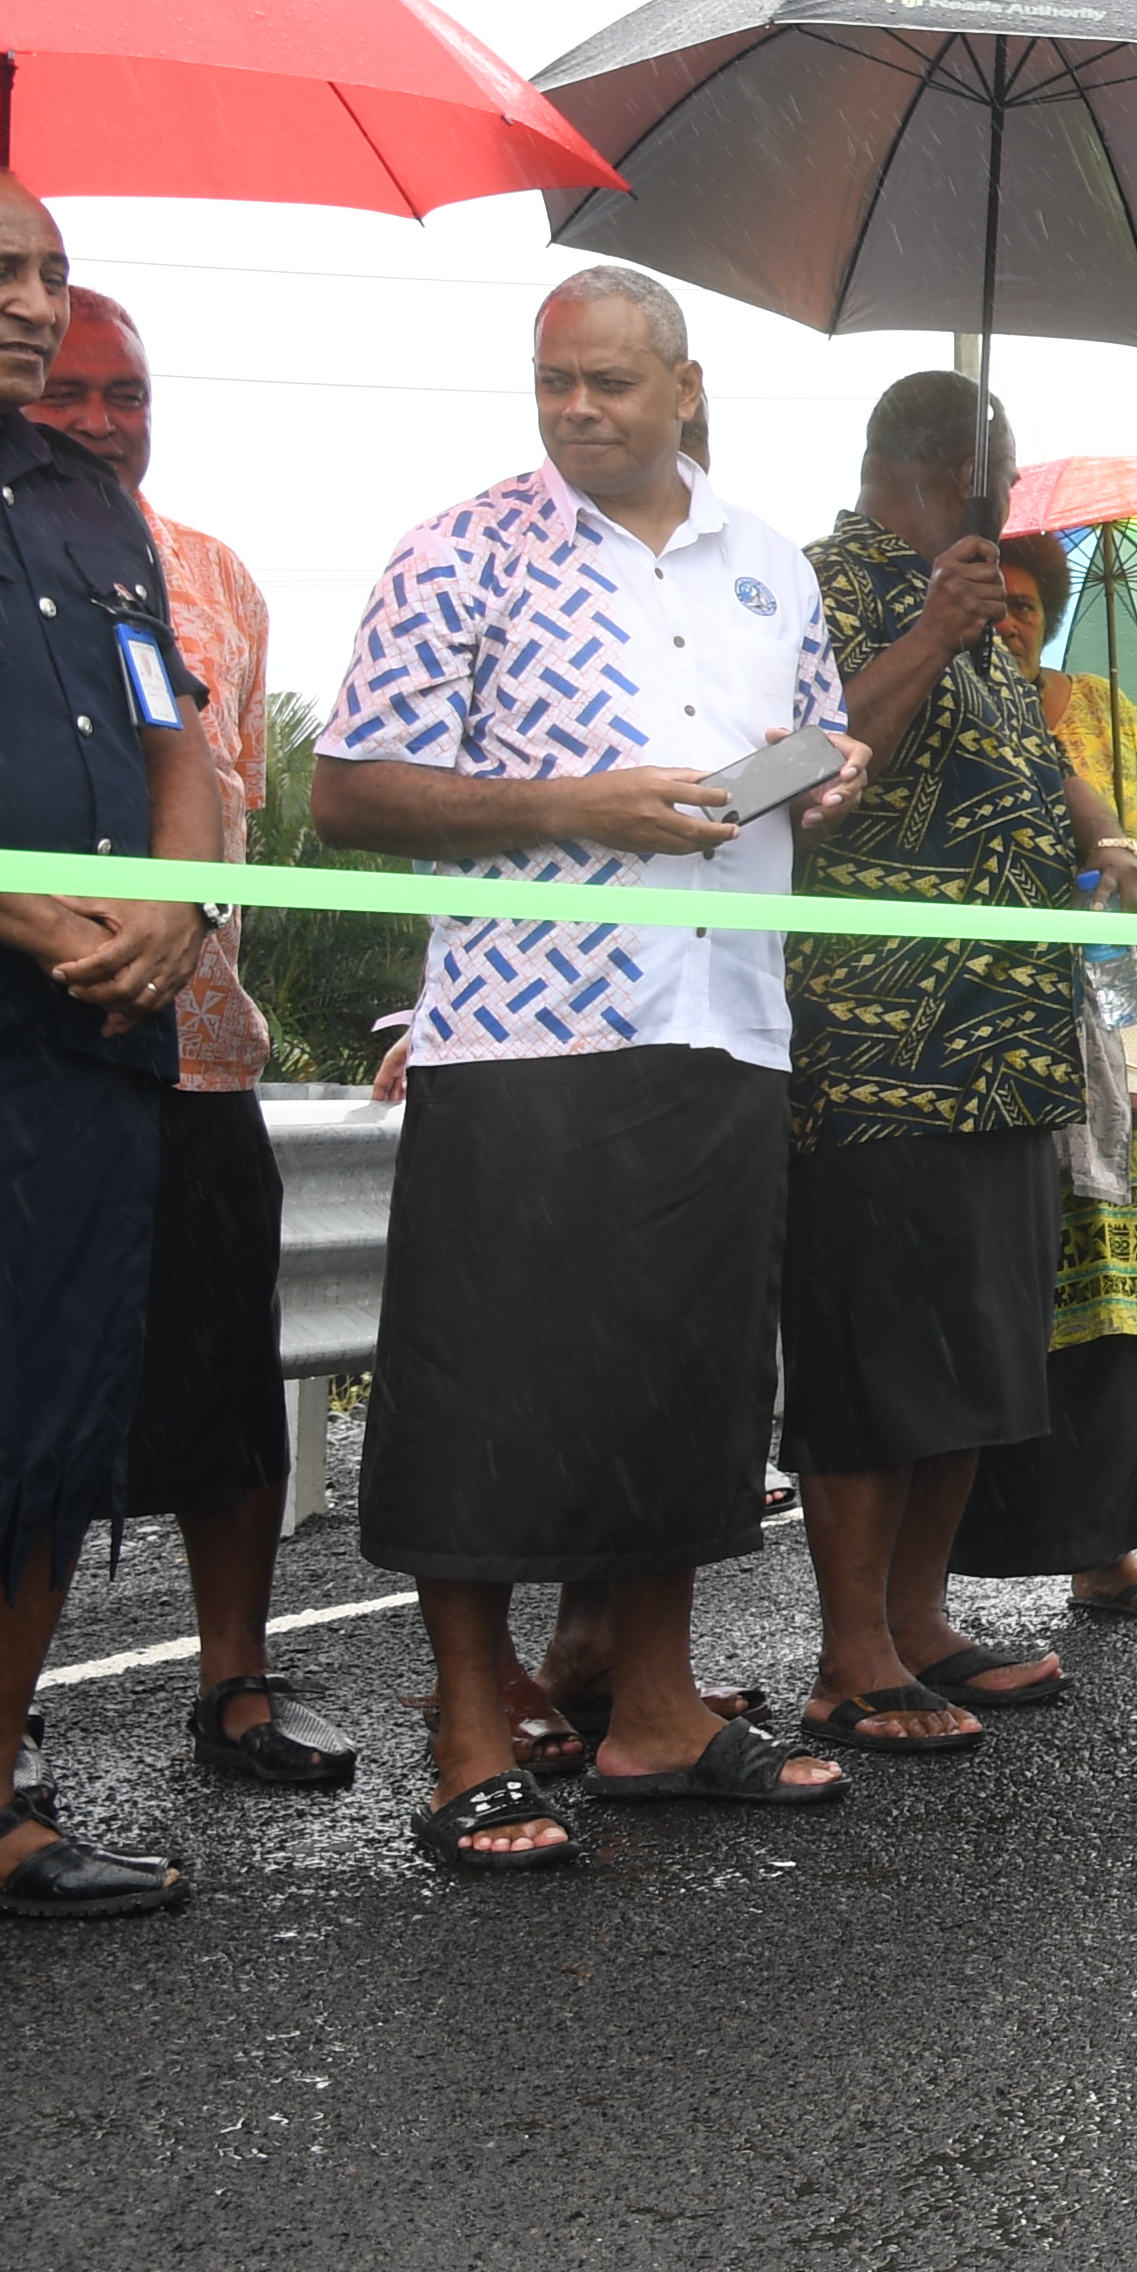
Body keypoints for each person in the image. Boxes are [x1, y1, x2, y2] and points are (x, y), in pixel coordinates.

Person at [312, 265, 862, 1870]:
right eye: (555, 383)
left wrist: (819, 779)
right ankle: (470, 1732)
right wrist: (579, 805)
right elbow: (350, 795)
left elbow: (816, 743)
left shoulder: (772, 569)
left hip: (727, 1021)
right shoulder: (459, 549)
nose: (576, 411)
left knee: (691, 1384)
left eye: (610, 384)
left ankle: (656, 1711)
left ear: (683, 389)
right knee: (487, 1389)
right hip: (528, 1027)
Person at [0, 163, 224, 1955]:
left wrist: (175, 905)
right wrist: (42, 918)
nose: (35, 304)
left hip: (98, 1047)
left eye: (50, 273)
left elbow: (166, 722)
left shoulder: (88, 506)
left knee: (39, 1428)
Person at [27, 286, 355, 1790]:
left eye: (129, 393)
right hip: (5, 1049)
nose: (101, 421)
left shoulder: (212, 574)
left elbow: (232, 804)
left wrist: (177, 912)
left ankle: (236, 1681)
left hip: (200, 1048)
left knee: (225, 1375)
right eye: (67, 392)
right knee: (4, 1389)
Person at [782, 374, 1125, 1758]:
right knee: (879, 1364)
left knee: (975, 1356)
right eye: (1005, 474)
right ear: (953, 470)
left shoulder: (976, 606)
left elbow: (1026, 772)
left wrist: (1097, 836)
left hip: (1006, 1049)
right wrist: (931, 627)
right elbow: (813, 763)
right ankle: (849, 1655)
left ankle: (918, 1621)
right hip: (881, 1049)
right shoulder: (833, 587)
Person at [952, 527, 1137, 1626]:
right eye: (993, 599)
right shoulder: (943, 705)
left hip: (1119, 1021)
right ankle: (930, 1583)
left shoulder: (1111, 714)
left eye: (1027, 602)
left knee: (1117, 1292)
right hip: (985, 1025)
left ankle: (1108, 1555)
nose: (1010, 618)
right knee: (990, 1292)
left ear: (1050, 610)